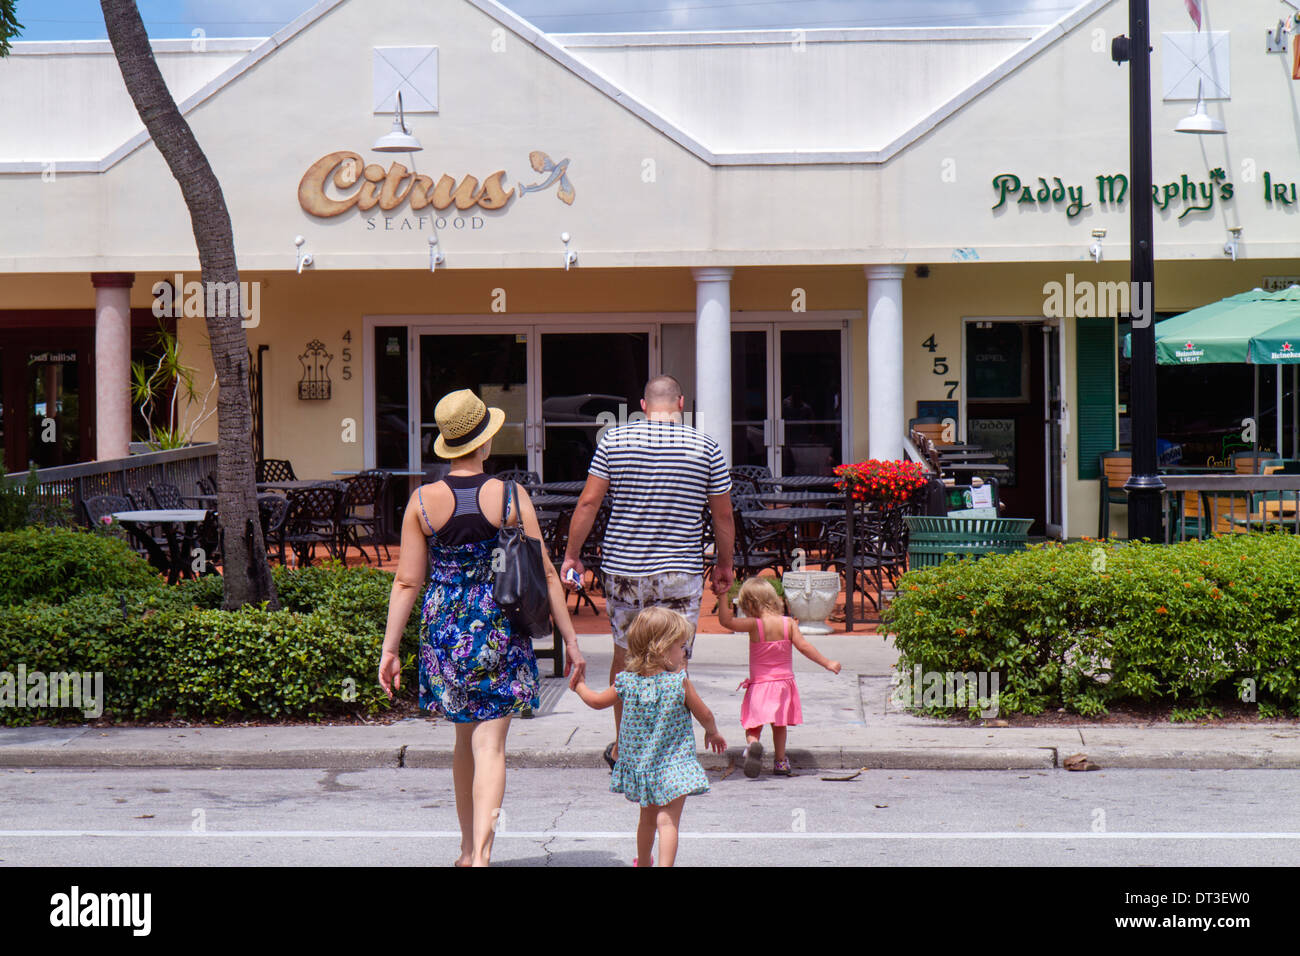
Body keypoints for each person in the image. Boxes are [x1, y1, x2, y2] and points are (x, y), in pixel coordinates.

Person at [378, 388, 586, 867]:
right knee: (490, 744)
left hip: (444, 628)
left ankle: (467, 849)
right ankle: (483, 856)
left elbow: (408, 581)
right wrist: (571, 641)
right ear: (485, 442)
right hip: (495, 625)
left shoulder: (422, 502)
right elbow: (546, 573)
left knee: (462, 739)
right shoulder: (510, 495)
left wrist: (390, 649)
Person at [561, 374, 734, 771]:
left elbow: (588, 503)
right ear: (681, 403)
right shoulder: (705, 446)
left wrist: (572, 555)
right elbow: (722, 513)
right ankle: (672, 751)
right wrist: (724, 564)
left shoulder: (614, 442)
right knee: (676, 662)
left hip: (625, 571)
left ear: (643, 405)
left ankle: (626, 749)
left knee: (625, 657)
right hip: (679, 572)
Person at [571, 606, 726, 867]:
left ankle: (643, 862)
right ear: (663, 649)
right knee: (668, 822)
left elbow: (597, 702)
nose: (683, 652)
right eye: (680, 646)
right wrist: (713, 733)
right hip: (675, 767)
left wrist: (579, 686)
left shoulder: (626, 682)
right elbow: (705, 713)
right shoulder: (679, 682)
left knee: (647, 819)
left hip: (645, 768)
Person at [718, 576, 840, 778]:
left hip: (760, 684)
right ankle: (781, 761)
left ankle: (753, 745)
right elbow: (804, 647)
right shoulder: (788, 623)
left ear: (749, 604)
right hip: (783, 684)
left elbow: (726, 621)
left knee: (753, 724)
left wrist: (722, 595)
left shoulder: (754, 625)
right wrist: (827, 663)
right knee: (779, 724)